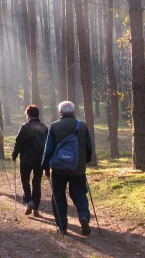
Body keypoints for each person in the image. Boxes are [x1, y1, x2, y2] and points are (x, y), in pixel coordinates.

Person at [41, 101, 94, 236]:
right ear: (74, 112)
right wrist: (85, 161)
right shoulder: (81, 126)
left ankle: (62, 226)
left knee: (58, 196)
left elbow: (49, 148)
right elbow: (89, 147)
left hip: (59, 169)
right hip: (78, 168)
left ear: (61, 112)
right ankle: (83, 216)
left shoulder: (54, 126)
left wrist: (45, 165)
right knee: (80, 193)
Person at [11, 105, 48, 217]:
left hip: (26, 159)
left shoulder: (25, 127)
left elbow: (19, 142)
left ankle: (29, 201)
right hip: (39, 159)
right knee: (36, 183)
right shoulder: (44, 127)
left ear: (28, 114)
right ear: (38, 114)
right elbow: (48, 144)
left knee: (25, 181)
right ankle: (36, 207)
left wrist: (15, 154)